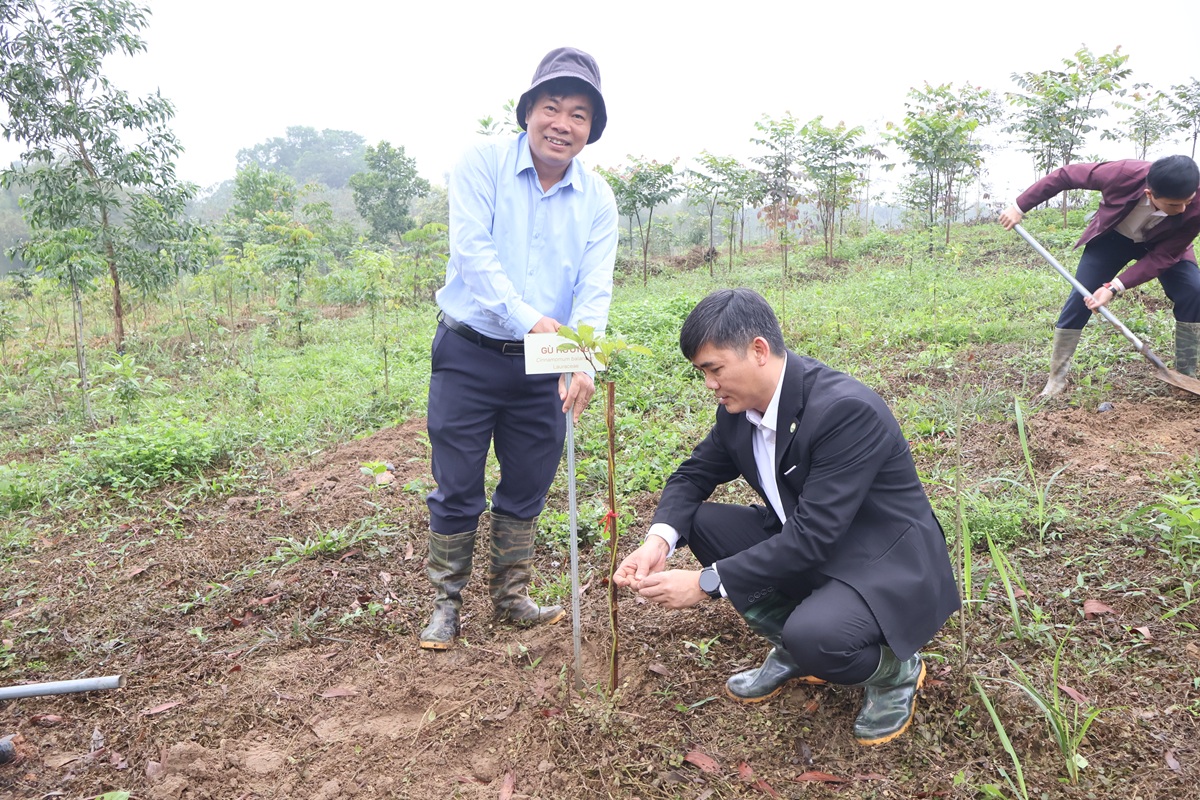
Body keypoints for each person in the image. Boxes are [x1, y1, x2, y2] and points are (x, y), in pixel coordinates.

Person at [614, 289, 960, 746]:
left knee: (815, 635)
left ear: (758, 350)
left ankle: (896, 671)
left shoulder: (843, 411)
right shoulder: (739, 411)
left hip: (881, 562)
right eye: (702, 373)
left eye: (715, 369)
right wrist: (657, 542)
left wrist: (706, 582)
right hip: (813, 542)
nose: (710, 385)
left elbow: (813, 536)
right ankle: (793, 650)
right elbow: (693, 474)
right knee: (696, 521)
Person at [419, 47, 618, 650]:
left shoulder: (598, 199)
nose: (562, 124)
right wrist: (531, 321)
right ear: (528, 110)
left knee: (530, 477)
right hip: (470, 351)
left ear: (590, 129)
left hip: (544, 362)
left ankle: (511, 597)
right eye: (551, 107)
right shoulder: (482, 164)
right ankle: (446, 604)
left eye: (579, 114)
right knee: (457, 481)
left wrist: (584, 361)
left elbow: (594, 289)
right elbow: (472, 254)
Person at [999, 156, 1200, 396]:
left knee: (1193, 291)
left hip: (1164, 245)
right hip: (1113, 239)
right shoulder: (1122, 174)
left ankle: (1185, 375)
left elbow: (1164, 256)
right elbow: (1065, 175)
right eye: (1174, 205)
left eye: (1188, 201)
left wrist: (1114, 287)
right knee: (1081, 297)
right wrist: (1019, 207)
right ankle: (1056, 378)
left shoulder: (1196, 203)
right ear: (1149, 194)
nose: (1183, 209)